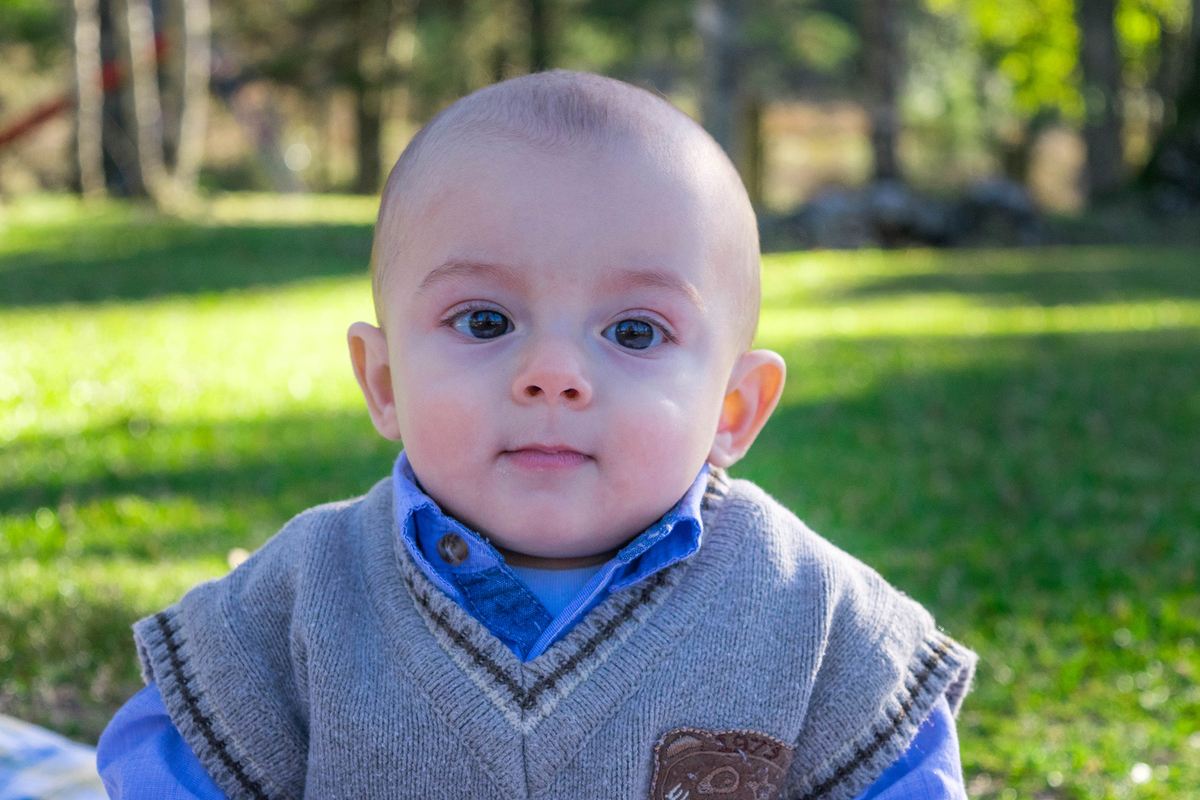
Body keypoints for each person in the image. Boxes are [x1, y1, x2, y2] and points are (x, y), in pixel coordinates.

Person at [96, 70, 977, 800]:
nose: (553, 373)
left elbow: (903, 770)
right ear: (386, 382)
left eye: (634, 331)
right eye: (485, 321)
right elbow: (173, 760)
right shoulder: (309, 592)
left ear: (733, 408)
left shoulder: (809, 613)